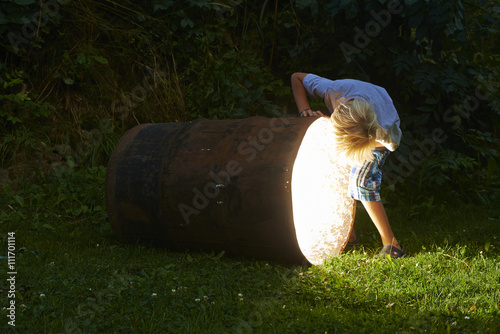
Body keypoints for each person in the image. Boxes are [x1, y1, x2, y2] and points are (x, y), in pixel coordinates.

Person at [291, 72, 405, 259]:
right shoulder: (331, 89)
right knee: (339, 174)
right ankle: (348, 235)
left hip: (376, 141)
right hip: (354, 122)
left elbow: (392, 145)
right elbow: (296, 77)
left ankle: (392, 245)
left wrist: (362, 148)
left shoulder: (385, 131)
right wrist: (305, 111)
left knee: (361, 182)